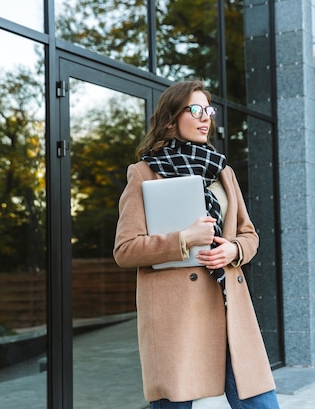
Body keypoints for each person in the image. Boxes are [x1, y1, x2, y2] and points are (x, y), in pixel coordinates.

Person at [113, 80, 280, 409]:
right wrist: (183, 239)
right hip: (175, 314)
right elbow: (125, 249)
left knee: (261, 403)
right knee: (173, 404)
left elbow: (249, 234)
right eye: (195, 110)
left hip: (229, 305)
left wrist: (234, 250)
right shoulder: (145, 173)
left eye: (209, 110)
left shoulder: (223, 172)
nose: (206, 118)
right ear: (170, 120)